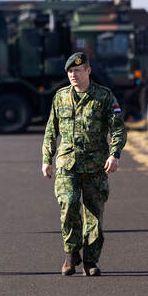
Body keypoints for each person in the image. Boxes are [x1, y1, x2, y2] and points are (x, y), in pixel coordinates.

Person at [42, 52, 126, 277]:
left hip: (95, 165)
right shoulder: (60, 97)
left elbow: (117, 128)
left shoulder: (103, 96)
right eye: (70, 72)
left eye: (77, 71)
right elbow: (52, 129)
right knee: (68, 205)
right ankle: (71, 253)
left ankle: (90, 261)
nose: (73, 75)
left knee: (94, 214)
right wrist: (46, 159)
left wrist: (114, 154)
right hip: (67, 164)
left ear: (88, 71)